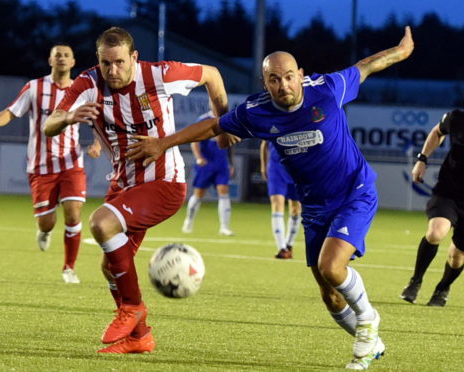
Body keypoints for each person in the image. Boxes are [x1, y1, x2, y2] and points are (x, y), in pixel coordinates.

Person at [126, 26, 414, 369]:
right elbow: (214, 127)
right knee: (329, 295)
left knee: (331, 266)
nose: (284, 86)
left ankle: (368, 322)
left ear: (301, 75)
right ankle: (373, 343)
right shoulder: (256, 111)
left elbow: (366, 66)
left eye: (290, 77)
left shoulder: (328, 89)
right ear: (266, 83)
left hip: (355, 191)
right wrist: (163, 143)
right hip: (314, 205)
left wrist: (401, 51)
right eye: (275, 79)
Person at [43, 27, 229, 354]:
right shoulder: (87, 83)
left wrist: (225, 126)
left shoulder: (160, 75)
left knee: (102, 223)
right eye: (105, 63)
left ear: (134, 58)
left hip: (164, 182)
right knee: (110, 265)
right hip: (125, 184)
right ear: (97, 61)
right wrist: (70, 117)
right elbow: (49, 124)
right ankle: (140, 336)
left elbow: (212, 74)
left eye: (118, 63)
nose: (112, 71)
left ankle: (132, 308)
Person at [0, 44, 101, 284]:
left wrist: (98, 143)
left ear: (73, 61)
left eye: (66, 55)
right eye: (58, 55)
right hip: (40, 166)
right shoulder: (35, 87)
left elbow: (97, 120)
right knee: (47, 222)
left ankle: (69, 268)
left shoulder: (82, 91)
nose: (62, 58)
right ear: (50, 60)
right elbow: (12, 111)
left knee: (73, 212)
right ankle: (44, 230)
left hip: (71, 162)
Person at [400, 79, 464, 307]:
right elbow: (437, 132)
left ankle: (442, 288)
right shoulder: (454, 119)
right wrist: (422, 160)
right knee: (436, 232)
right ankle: (415, 282)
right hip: (448, 191)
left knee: (457, 256)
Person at [182, 110, 235, 236]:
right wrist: (198, 157)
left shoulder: (228, 119)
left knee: (224, 192)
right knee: (199, 194)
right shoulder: (203, 120)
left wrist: (231, 163)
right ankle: (189, 220)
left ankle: (224, 227)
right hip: (206, 163)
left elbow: (231, 142)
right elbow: (194, 140)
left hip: (222, 163)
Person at [260, 140, 301, 259]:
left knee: (296, 207)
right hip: (275, 168)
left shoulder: (302, 124)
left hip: (296, 169)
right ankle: (282, 248)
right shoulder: (272, 121)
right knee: (277, 204)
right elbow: (264, 144)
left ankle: (289, 244)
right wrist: (263, 166)